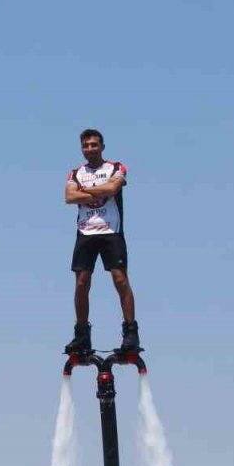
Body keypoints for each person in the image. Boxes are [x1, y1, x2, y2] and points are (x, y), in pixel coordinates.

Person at [63, 128, 139, 354]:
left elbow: (113, 187)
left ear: (102, 146)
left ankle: (131, 332)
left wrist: (86, 191)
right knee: (81, 283)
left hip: (111, 230)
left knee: (120, 279)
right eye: (86, 146)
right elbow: (69, 196)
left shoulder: (115, 167)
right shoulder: (75, 173)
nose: (90, 149)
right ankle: (81, 335)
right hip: (85, 231)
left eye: (94, 145)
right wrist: (100, 191)